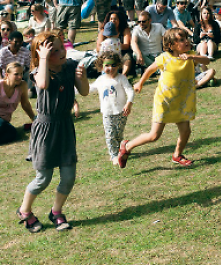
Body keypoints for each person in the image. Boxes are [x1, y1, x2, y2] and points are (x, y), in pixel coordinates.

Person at [17, 31, 90, 232]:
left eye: (61, 47)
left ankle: (56, 212)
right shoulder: (37, 71)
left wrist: (82, 78)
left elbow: (84, 91)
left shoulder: (70, 67)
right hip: (46, 129)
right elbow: (42, 84)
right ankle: (25, 211)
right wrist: (42, 59)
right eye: (54, 50)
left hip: (65, 125)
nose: (61, 52)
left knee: (68, 176)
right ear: (43, 55)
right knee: (43, 178)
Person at [118, 28, 211, 168]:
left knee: (186, 131)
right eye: (181, 40)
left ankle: (177, 155)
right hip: (165, 102)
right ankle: (127, 145)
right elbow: (150, 69)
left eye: (186, 38)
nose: (186, 41)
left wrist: (193, 57)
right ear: (171, 45)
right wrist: (140, 82)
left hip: (182, 102)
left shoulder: (191, 55)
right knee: (154, 136)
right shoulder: (165, 58)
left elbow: (206, 61)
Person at [88, 52, 134, 165]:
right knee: (110, 135)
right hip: (107, 113)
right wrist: (75, 86)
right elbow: (89, 89)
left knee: (118, 134)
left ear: (118, 65)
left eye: (113, 65)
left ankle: (120, 150)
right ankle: (113, 155)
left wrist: (129, 103)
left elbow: (130, 90)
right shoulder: (101, 80)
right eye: (107, 65)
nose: (111, 68)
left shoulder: (121, 78)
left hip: (121, 112)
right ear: (101, 67)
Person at [0, 62, 36, 145]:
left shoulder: (22, 85)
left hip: (5, 122)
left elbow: (25, 104)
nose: (20, 77)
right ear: (7, 75)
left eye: (21, 74)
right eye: (16, 74)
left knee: (12, 133)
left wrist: (34, 119)